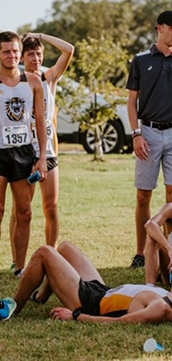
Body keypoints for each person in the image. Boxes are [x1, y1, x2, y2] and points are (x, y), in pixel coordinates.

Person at [126, 10, 172, 270]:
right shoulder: (141, 60)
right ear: (159, 28)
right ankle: (141, 252)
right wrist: (136, 134)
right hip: (147, 133)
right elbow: (132, 102)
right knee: (144, 196)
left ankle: (170, 252)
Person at [0, 241, 172, 323]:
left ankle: (14, 307)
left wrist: (76, 316)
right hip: (105, 291)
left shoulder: (161, 309)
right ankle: (39, 297)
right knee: (65, 248)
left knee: (44, 253)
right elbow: (170, 296)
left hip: (91, 302)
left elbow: (121, 322)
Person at [9, 33, 74, 271]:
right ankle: (18, 261)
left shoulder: (49, 78)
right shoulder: (17, 81)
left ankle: (52, 257)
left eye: (39, 54)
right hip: (23, 153)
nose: (35, 59)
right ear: (21, 58)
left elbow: (69, 49)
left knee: (51, 207)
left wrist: (40, 36)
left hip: (48, 153)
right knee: (21, 210)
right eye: (30, 54)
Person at [0, 31, 47, 277]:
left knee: (25, 212)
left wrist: (41, 159)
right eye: (6, 51)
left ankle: (19, 267)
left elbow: (40, 121)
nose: (11, 55)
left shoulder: (33, 82)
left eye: (15, 51)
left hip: (23, 153)